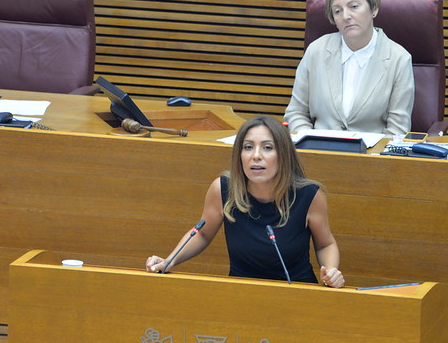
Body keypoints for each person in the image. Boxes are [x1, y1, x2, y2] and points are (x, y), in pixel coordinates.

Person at [145, 115, 345, 288]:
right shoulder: (224, 190)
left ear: (283, 155)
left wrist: (331, 272)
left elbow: (325, 244)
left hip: (297, 292)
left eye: (267, 148)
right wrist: (169, 261)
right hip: (240, 293)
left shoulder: (308, 195)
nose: (256, 156)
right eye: (248, 147)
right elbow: (203, 233)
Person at [285, 0, 414, 136]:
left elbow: (397, 130)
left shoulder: (399, 59)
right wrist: (309, 141)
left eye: (354, 7)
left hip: (371, 157)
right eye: (337, 11)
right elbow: (296, 112)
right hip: (319, 152)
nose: (346, 16)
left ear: (373, 9)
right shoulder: (316, 51)